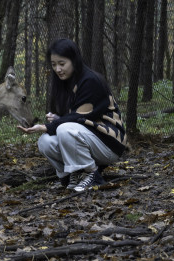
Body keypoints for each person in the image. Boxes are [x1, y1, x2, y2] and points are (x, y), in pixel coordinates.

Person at [18, 38, 127, 192]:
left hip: (109, 143)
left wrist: (48, 125)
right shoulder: (62, 82)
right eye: (54, 64)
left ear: (74, 60)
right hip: (89, 138)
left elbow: (78, 118)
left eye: (62, 64)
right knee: (45, 141)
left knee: (64, 129)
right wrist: (57, 119)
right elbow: (74, 116)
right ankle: (72, 176)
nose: (57, 69)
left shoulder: (90, 81)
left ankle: (91, 175)